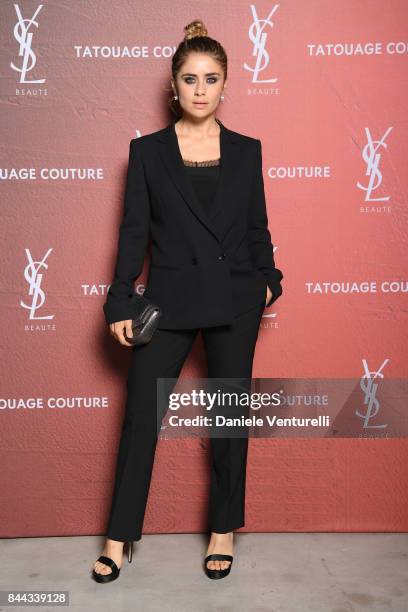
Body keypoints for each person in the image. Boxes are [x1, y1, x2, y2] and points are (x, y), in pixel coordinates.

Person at [92, 19, 283, 583]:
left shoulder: (247, 152)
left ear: (226, 87)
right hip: (169, 301)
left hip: (234, 299)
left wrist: (269, 278)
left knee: (229, 418)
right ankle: (118, 535)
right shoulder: (147, 152)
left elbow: (257, 227)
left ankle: (222, 530)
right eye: (190, 79)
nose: (200, 90)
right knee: (140, 421)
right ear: (173, 87)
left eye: (211, 79)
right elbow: (131, 237)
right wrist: (119, 303)